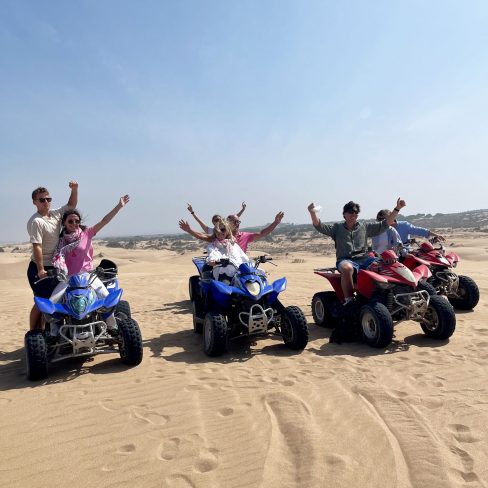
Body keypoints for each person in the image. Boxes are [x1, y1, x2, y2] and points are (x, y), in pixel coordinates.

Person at [49, 195, 130, 333]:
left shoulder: (87, 233)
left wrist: (119, 206)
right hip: (68, 278)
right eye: (71, 221)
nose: (74, 224)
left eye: (77, 221)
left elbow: (104, 221)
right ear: (64, 223)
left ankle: (112, 327)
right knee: (51, 303)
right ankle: (54, 333)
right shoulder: (60, 241)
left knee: (107, 298)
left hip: (88, 277)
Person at [308, 198, 406, 305]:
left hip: (365, 259)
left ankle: (393, 296)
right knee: (347, 268)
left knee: (387, 265)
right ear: (344, 214)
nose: (353, 214)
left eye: (356, 212)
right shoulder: (337, 228)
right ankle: (349, 301)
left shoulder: (364, 227)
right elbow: (319, 226)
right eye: (351, 212)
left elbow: (385, 224)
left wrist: (397, 208)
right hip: (346, 260)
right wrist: (312, 213)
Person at [27, 181, 78, 330]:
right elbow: (37, 246)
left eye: (48, 199)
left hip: (56, 266)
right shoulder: (36, 221)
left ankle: (52, 332)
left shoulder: (56, 214)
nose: (46, 202)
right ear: (35, 202)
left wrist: (74, 189)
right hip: (40, 268)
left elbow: (71, 205)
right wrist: (40, 269)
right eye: (42, 200)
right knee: (42, 301)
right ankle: (33, 334)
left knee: (57, 300)